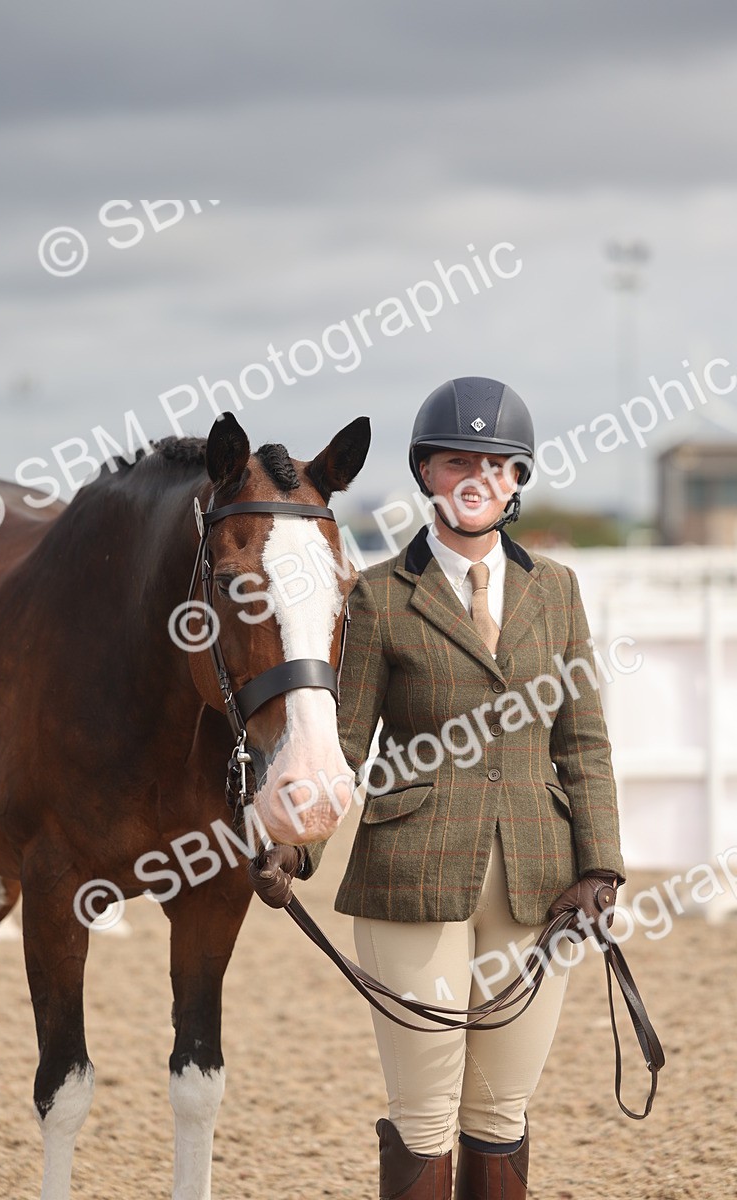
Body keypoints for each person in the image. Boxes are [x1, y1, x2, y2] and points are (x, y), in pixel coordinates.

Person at [250, 377, 625, 1200]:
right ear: (426, 473)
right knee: (422, 1116)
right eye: (459, 461)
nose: (478, 478)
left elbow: (584, 741)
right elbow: (342, 742)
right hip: (412, 873)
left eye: (497, 465)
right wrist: (295, 843)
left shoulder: (555, 591)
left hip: (540, 880)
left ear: (518, 480)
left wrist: (600, 867)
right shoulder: (380, 596)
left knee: (501, 1113)